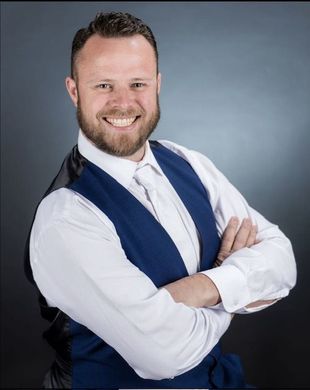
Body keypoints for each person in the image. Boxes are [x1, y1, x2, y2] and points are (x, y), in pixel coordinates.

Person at [25, 11, 296, 389]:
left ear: (157, 85)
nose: (123, 102)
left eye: (137, 83)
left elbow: (283, 261)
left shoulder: (187, 161)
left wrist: (204, 287)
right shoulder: (66, 216)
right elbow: (165, 355)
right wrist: (236, 292)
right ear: (74, 91)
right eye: (103, 85)